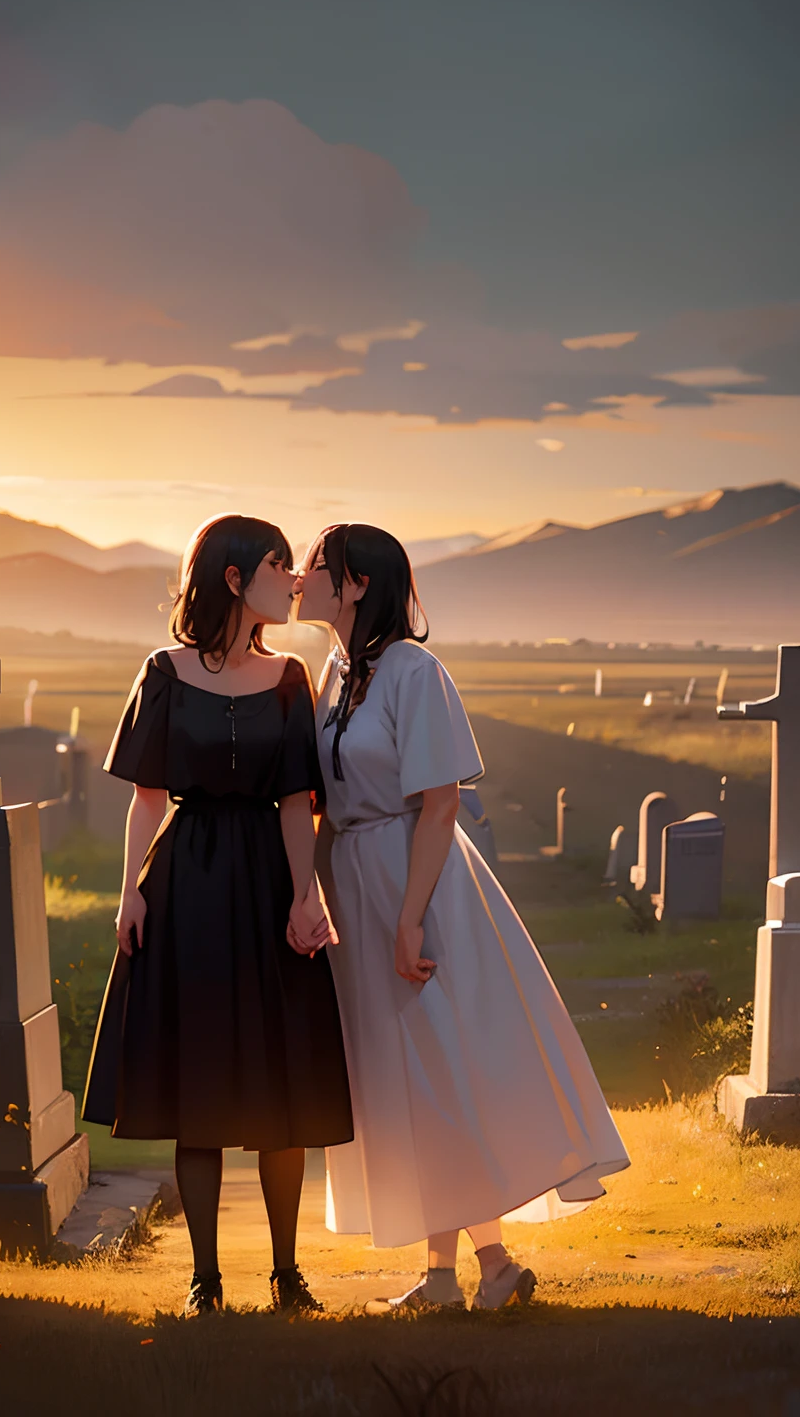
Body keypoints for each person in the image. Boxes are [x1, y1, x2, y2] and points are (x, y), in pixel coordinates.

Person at [293, 522, 629, 1312]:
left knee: (442, 1063)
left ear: (358, 584)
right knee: (406, 1078)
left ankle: (487, 1265)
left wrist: (410, 919)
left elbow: (440, 804)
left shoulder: (416, 671)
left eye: (316, 565)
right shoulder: (333, 672)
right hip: (353, 883)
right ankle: (460, 1272)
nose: (303, 577)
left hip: (418, 880)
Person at [82, 514, 352, 1316]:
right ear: (234, 579)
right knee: (192, 1086)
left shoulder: (291, 677)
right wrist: (129, 889)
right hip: (185, 883)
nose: (293, 578)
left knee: (282, 1085)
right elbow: (147, 796)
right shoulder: (162, 671)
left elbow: (298, 800)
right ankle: (204, 1280)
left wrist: (306, 898)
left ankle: (287, 1273)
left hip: (268, 880)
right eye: (277, 564)